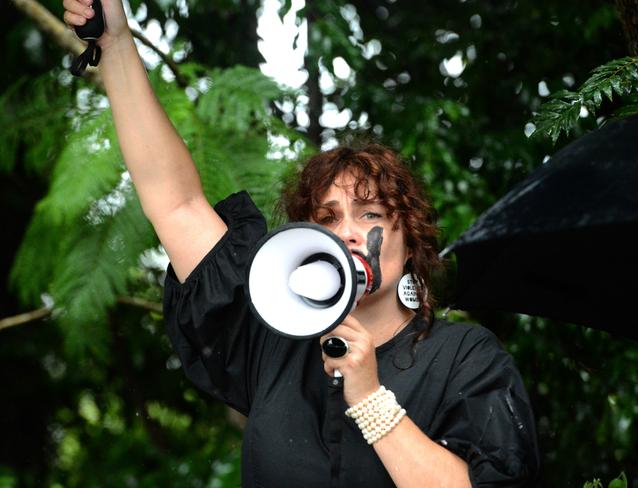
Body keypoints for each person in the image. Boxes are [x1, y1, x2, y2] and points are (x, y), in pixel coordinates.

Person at [63, 1, 541, 486]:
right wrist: (117, 43)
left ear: (409, 236)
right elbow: (176, 203)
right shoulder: (269, 343)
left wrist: (371, 399)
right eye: (328, 219)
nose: (349, 232)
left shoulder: (463, 357)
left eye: (370, 213)